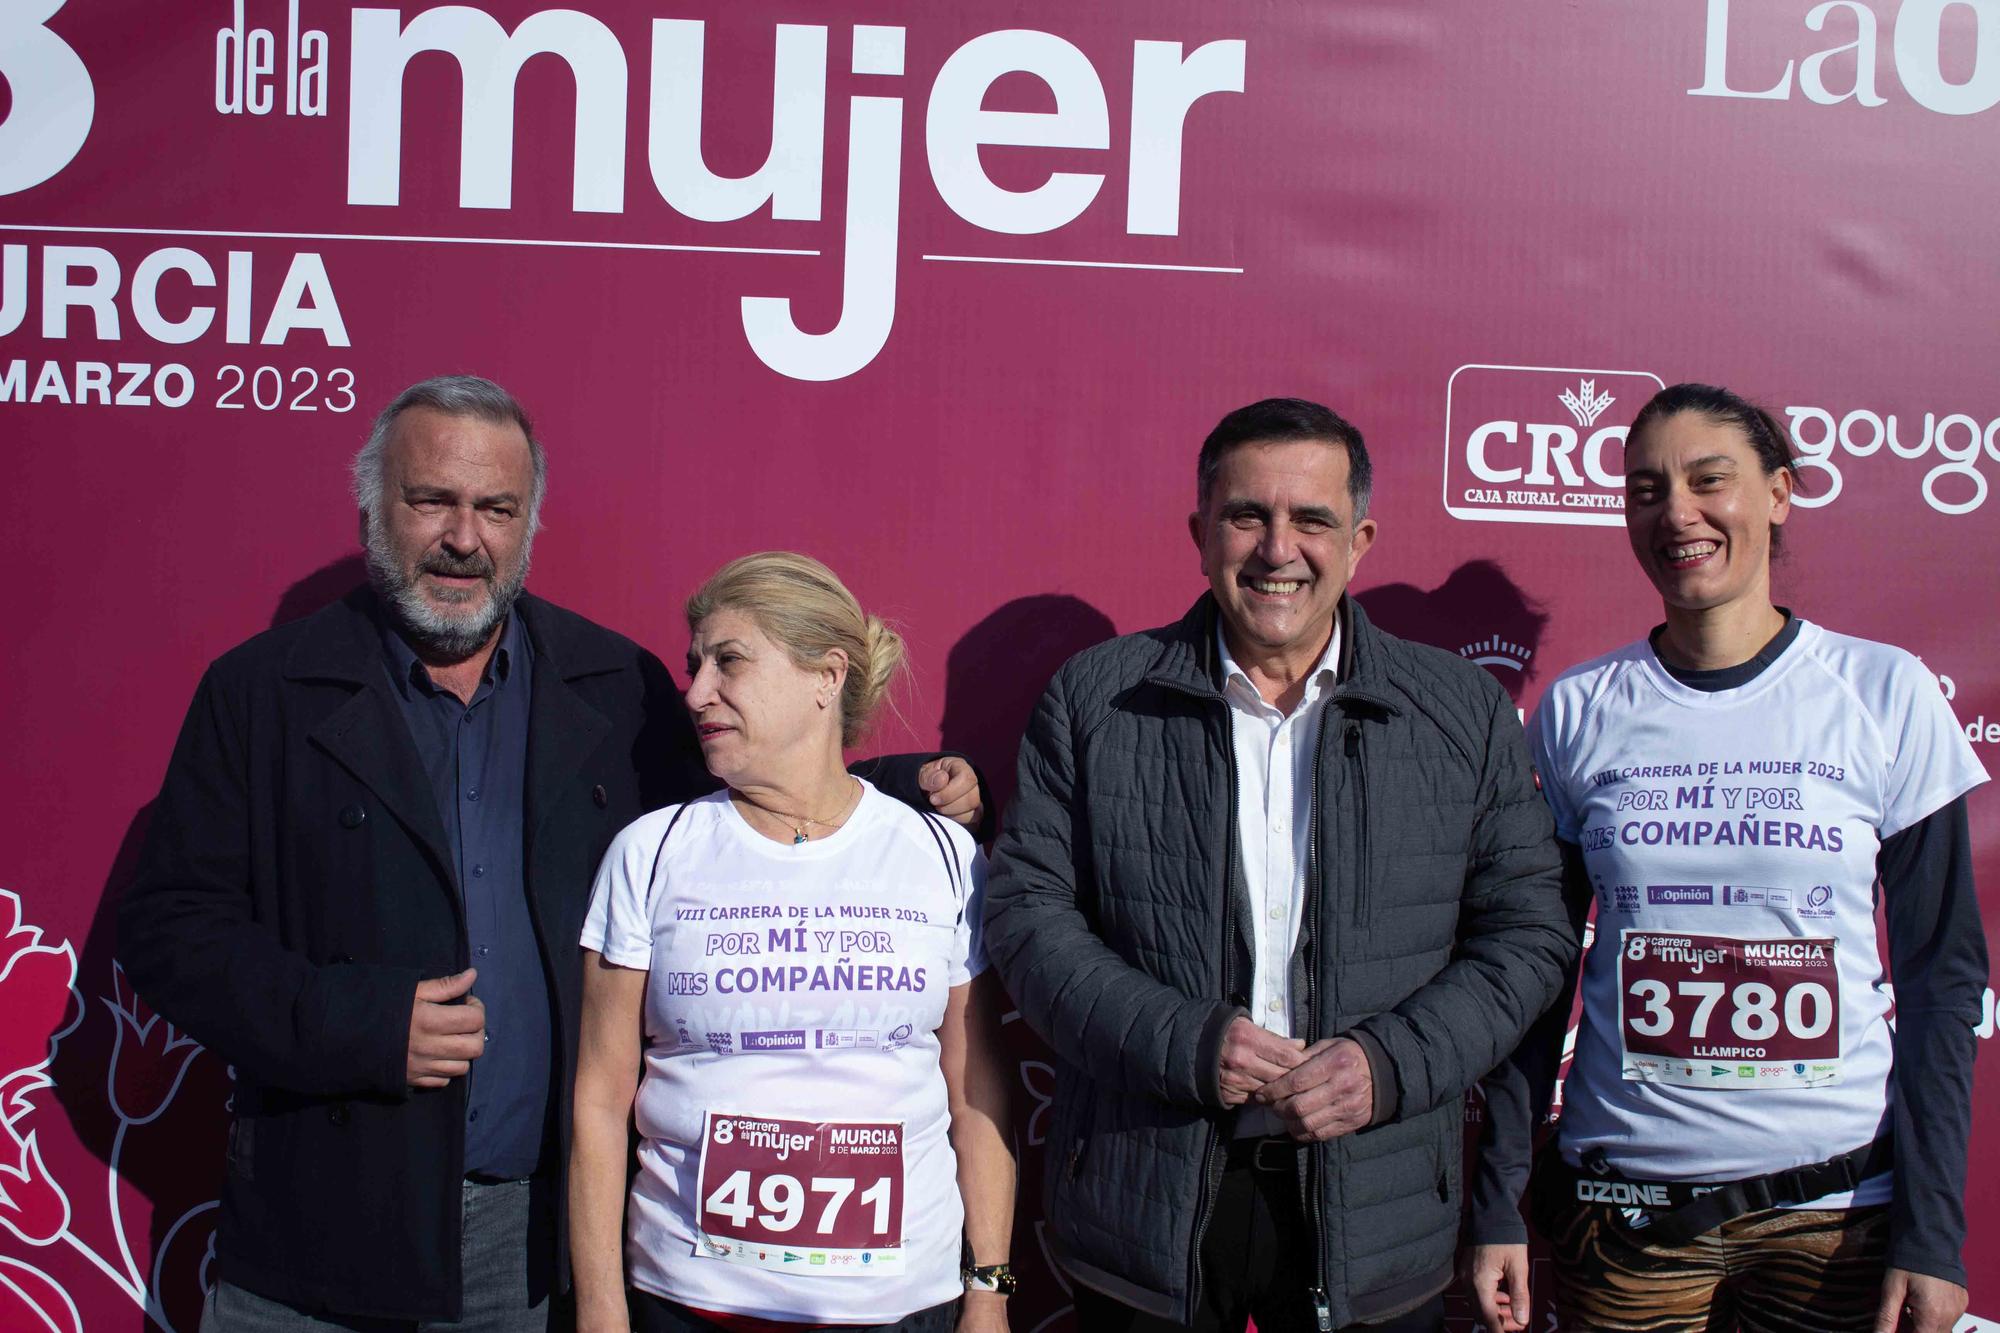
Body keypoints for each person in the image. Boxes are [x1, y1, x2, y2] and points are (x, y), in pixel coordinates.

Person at [116, 377, 985, 1332]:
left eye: (496, 508)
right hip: (322, 1241)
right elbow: (169, 931)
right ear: (374, 506)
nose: (464, 537)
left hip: (535, 1245)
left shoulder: (614, 684)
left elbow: (747, 793)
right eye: (431, 501)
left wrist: (901, 789)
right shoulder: (264, 692)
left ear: (528, 523)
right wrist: (348, 1019)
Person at [981, 397, 1577, 1332]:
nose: (1277, 549)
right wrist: (1184, 1041)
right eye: (1247, 515)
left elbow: (1530, 936)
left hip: (1374, 1201)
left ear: (1361, 538)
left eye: (1312, 520)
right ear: (1200, 530)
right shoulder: (1096, 698)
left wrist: (1387, 1064)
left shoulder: (1458, 712)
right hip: (1148, 1194)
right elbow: (1027, 917)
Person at [1466, 383, 1988, 1333]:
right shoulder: (1580, 710)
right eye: (1647, 489)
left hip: (1838, 1219)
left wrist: (1932, 1230)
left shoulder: (1883, 690)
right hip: (1626, 1218)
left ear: (1780, 493)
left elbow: (1944, 978)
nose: (1678, 514)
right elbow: (1534, 974)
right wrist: (1498, 1196)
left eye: (1711, 481)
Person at [569, 552, 1015, 1333]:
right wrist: (603, 1310)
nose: (697, 691)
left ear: (826, 675)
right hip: (688, 1302)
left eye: (728, 661)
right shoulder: (649, 853)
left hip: (902, 1305)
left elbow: (975, 1092)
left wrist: (989, 1291)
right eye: (694, 665)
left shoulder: (941, 856)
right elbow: (600, 1101)